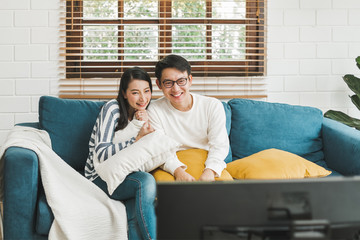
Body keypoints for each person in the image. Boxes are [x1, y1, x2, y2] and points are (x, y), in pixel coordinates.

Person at [85, 67, 156, 240]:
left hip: (126, 173)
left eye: (147, 91)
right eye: (135, 92)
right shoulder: (112, 108)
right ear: (124, 93)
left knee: (133, 211)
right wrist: (136, 139)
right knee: (144, 182)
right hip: (98, 176)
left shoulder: (146, 112)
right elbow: (101, 153)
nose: (143, 98)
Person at [147, 54, 229, 182]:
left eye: (181, 81)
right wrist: (178, 171)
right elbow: (159, 149)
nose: (176, 88)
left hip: (206, 161)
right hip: (170, 164)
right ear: (159, 84)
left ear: (190, 80)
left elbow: (219, 145)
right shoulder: (154, 110)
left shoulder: (212, 105)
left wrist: (210, 171)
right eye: (168, 83)